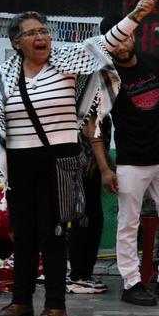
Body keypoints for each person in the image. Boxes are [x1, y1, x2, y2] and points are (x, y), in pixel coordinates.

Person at [0, 0, 156, 316]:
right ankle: (20, 301)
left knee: (53, 234)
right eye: (32, 33)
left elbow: (107, 42)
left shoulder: (67, 62)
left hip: (58, 161)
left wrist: (134, 17)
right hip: (19, 164)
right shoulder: (4, 76)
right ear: (16, 42)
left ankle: (56, 306)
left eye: (44, 31)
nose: (41, 37)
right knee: (24, 236)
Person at [90, 14, 159, 306]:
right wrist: (105, 168)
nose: (122, 44)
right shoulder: (105, 77)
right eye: (115, 39)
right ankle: (131, 282)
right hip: (131, 161)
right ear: (107, 43)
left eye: (125, 36)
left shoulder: (155, 62)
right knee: (128, 224)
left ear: (134, 35)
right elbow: (94, 126)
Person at [66, 116, 112, 294]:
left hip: (89, 170)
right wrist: (107, 168)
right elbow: (90, 132)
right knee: (86, 220)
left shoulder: (102, 109)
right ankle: (78, 276)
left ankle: (83, 275)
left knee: (91, 220)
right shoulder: (90, 107)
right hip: (83, 169)